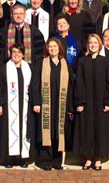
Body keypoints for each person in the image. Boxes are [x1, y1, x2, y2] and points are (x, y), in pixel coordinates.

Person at [73, 34, 109, 170]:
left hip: (100, 102)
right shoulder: (82, 61)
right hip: (86, 103)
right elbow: (78, 82)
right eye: (90, 43)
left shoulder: (105, 61)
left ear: (100, 45)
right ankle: (88, 158)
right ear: (88, 45)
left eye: (95, 43)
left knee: (100, 130)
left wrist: (108, 102)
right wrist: (80, 101)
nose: (93, 45)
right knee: (87, 130)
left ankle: (98, 158)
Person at [31, 38, 74, 171]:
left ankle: (57, 161)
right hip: (46, 103)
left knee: (58, 131)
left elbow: (71, 86)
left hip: (61, 104)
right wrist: (37, 102)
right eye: (50, 47)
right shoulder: (41, 63)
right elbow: (35, 84)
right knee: (47, 132)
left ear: (59, 48)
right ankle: (45, 161)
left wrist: (70, 107)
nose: (52, 49)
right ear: (47, 49)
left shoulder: (65, 64)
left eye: (55, 46)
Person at [0, 44, 33, 168]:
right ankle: (9, 159)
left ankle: (23, 158)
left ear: (23, 54)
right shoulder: (3, 68)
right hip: (9, 107)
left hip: (25, 106)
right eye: (14, 52)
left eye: (19, 52)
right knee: (8, 132)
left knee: (24, 130)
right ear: (10, 53)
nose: (16, 54)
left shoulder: (28, 68)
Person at [0, 4, 45, 73]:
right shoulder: (2, 32)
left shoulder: (35, 32)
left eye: (21, 13)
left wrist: (35, 70)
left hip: (30, 71)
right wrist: (2, 70)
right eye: (16, 14)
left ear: (25, 15)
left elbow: (39, 55)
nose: (18, 16)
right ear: (12, 15)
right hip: (8, 71)